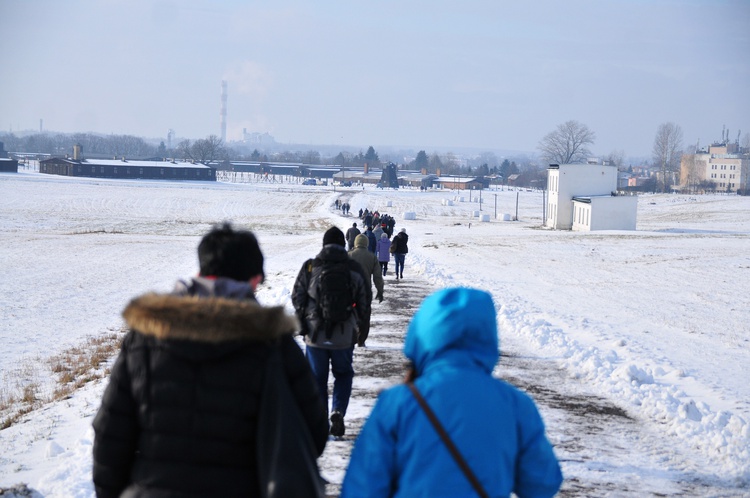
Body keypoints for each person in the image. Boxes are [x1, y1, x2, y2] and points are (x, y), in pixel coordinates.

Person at [92, 223, 328, 498]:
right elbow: (313, 433)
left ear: (200, 272)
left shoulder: (144, 339)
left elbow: (110, 436)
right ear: (253, 280)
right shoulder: (274, 345)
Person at [341, 287, 563, 498]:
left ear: (423, 334)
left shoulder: (397, 403)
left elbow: (363, 488)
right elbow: (542, 484)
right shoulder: (516, 404)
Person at [292, 226, 368, 438]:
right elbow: (364, 300)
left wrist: (303, 323)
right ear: (344, 244)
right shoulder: (353, 268)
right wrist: (359, 328)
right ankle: (338, 411)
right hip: (344, 336)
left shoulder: (310, 267)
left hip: (315, 335)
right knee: (343, 374)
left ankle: (320, 418)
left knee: (317, 378)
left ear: (323, 244)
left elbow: (297, 297)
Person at [348, 234, 384, 347]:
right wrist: (380, 291)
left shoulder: (348, 255)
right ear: (366, 243)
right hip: (365, 291)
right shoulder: (372, 257)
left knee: (349, 314)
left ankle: (351, 336)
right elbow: (377, 276)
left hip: (350, 291)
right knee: (365, 315)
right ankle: (361, 339)